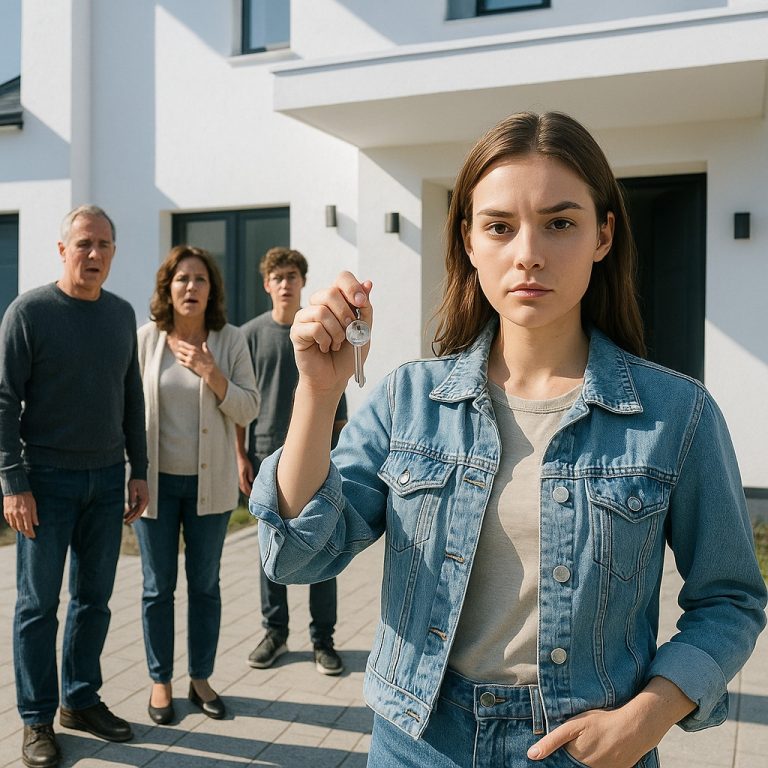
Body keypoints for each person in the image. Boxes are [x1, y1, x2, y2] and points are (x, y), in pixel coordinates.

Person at [249, 112, 768, 768]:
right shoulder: (409, 402)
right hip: (419, 740)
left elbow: (730, 598)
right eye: (499, 226)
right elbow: (297, 558)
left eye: (560, 222)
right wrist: (320, 397)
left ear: (603, 234)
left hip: (584, 746)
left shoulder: (675, 415)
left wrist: (650, 715)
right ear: (468, 239)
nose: (528, 253)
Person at [0, 205, 149, 768]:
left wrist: (139, 469)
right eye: (84, 244)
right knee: (38, 606)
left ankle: (80, 699)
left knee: (95, 601)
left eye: (104, 245)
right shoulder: (29, 313)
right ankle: (36, 719)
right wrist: (13, 483)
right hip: (45, 484)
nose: (94, 255)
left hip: (108, 480)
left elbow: (132, 396)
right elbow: (2, 400)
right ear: (62, 249)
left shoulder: (120, 314)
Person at [134, 245, 259, 725]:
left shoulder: (229, 341)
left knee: (204, 585)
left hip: (210, 489)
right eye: (182, 279)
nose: (191, 287)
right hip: (156, 488)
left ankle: (201, 677)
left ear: (212, 290)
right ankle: (160, 680)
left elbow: (249, 408)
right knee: (156, 587)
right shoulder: (146, 340)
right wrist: (131, 472)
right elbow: (128, 412)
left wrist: (213, 373)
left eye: (200, 280)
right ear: (168, 287)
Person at [237, 247, 347, 676]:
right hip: (265, 454)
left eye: (292, 276)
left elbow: (337, 399)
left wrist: (336, 454)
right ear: (267, 284)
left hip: (316, 454)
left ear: (302, 282)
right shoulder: (250, 335)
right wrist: (240, 455)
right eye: (277, 276)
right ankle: (276, 633)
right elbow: (240, 404)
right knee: (271, 551)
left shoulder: (317, 328)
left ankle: (324, 640)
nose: (285, 283)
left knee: (322, 543)